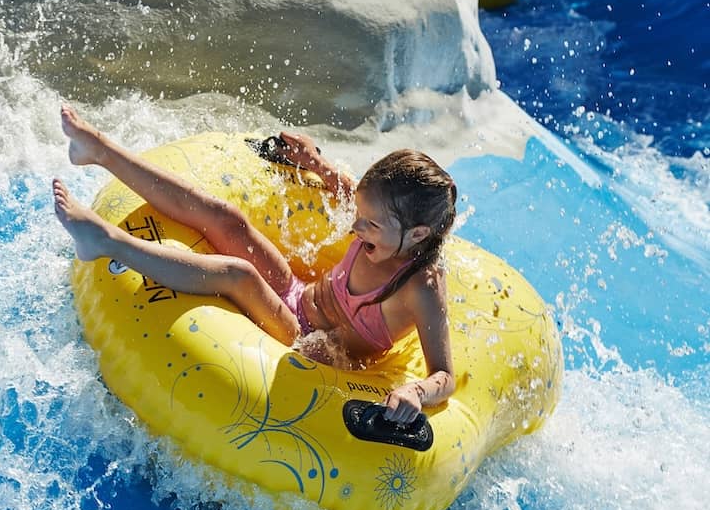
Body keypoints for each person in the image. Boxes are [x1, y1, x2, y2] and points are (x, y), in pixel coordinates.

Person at [53, 105, 457, 424]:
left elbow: (445, 375)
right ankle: (99, 151)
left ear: (418, 234)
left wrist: (416, 392)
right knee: (226, 217)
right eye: (361, 216)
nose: (356, 226)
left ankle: (107, 243)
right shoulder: (384, 222)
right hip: (297, 294)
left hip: (308, 344)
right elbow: (348, 190)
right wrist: (314, 162)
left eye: (370, 224)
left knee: (239, 275)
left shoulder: (422, 285)